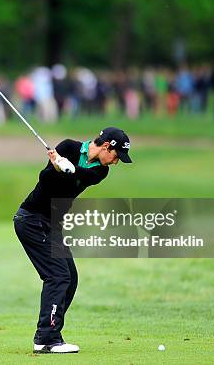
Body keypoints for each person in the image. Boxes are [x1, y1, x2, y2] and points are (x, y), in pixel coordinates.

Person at [13, 127, 132, 354]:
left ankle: (50, 332)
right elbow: (44, 180)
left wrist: (69, 169)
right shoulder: (68, 147)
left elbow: (82, 177)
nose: (115, 162)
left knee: (71, 278)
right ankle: (46, 339)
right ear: (107, 146)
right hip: (31, 219)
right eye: (116, 157)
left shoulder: (100, 172)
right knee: (57, 275)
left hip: (52, 223)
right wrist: (57, 166)